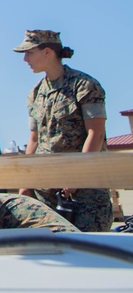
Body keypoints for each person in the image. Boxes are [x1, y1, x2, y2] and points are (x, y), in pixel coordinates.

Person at [14, 29, 112, 232]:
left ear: (47, 52)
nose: (25, 59)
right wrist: (26, 182)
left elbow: (96, 133)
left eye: (30, 52)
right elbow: (34, 140)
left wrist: (77, 177)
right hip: (47, 194)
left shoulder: (85, 86)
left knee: (91, 252)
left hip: (84, 196)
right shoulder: (35, 94)